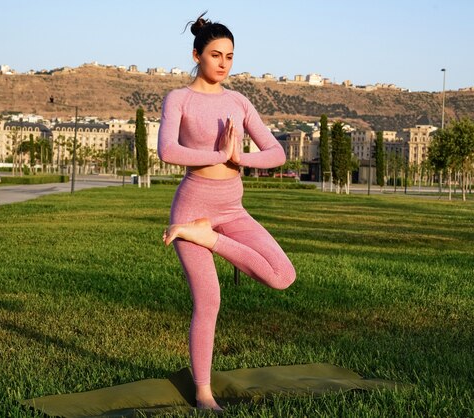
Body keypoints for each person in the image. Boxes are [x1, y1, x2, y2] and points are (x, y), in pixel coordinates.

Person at [158, 13, 296, 412]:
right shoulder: (179, 99)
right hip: (192, 205)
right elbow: (167, 150)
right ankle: (203, 394)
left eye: (230, 56)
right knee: (209, 301)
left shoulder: (239, 102)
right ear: (196, 54)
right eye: (216, 54)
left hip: (231, 209)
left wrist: (240, 156)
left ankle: (208, 238)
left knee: (283, 276)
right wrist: (218, 154)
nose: (223, 63)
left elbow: (278, 152)